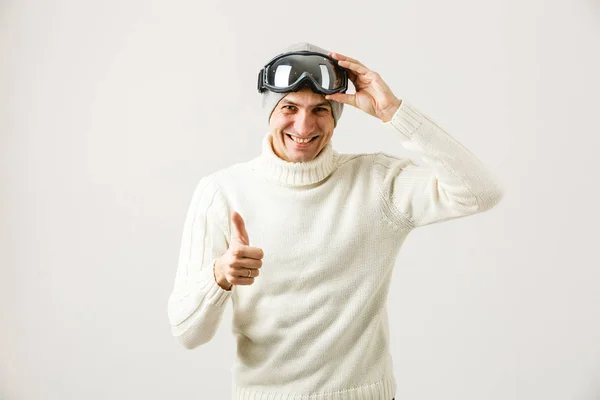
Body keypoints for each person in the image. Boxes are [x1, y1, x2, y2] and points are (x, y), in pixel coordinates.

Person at [167, 42, 504, 400]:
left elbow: (480, 191)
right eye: (290, 108)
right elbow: (188, 333)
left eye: (320, 110)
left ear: (337, 115)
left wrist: (393, 112)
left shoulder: (377, 181)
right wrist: (219, 276)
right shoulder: (223, 191)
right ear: (270, 112)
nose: (304, 125)